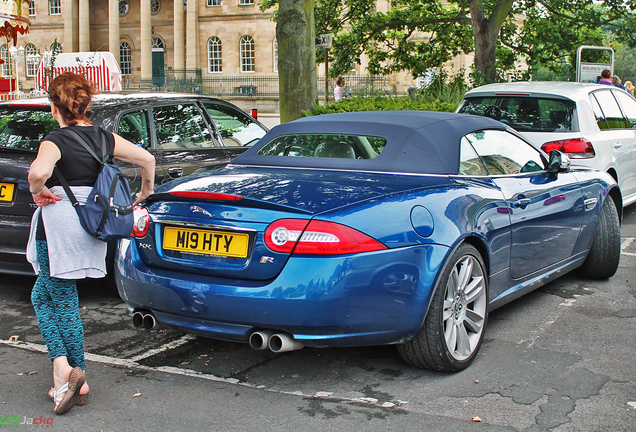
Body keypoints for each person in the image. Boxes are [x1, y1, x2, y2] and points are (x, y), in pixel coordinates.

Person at [26, 72, 155, 415]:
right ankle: (76, 378)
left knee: (62, 297)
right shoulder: (104, 137)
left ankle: (65, 370)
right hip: (94, 224)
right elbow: (148, 160)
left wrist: (38, 191)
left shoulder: (55, 140)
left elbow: (38, 173)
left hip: (58, 228)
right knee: (44, 294)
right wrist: (145, 191)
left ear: (55, 106)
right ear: (86, 105)